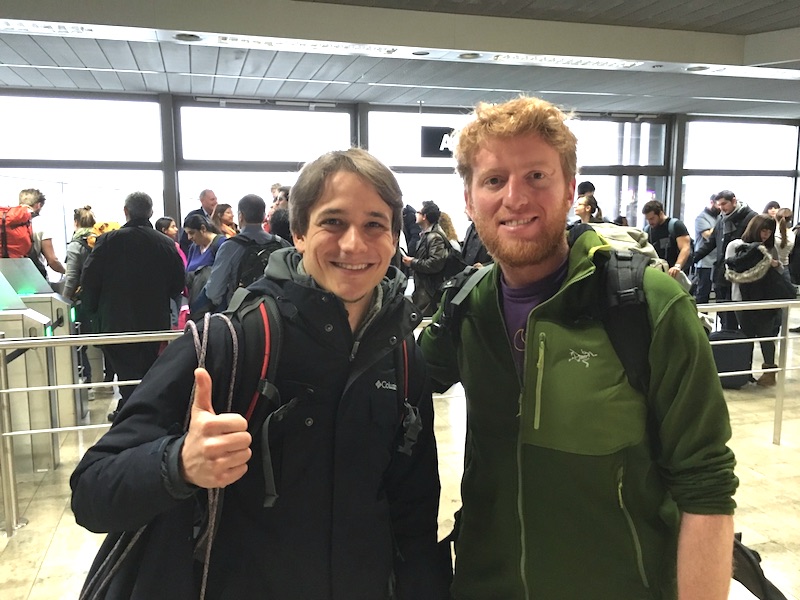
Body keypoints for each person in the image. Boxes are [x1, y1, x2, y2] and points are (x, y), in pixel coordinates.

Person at [70, 148, 442, 599]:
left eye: (374, 225)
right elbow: (92, 490)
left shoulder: (401, 354)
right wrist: (179, 464)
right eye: (333, 222)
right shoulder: (231, 343)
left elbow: (414, 513)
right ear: (299, 233)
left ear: (393, 238)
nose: (354, 245)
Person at [419, 96, 737, 600]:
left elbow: (707, 485)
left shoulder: (648, 306)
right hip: (485, 583)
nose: (516, 198)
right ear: (469, 198)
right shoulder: (466, 306)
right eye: (495, 180)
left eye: (537, 177)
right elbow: (384, 382)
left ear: (570, 190)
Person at [80, 192, 185, 421]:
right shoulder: (166, 244)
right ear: (151, 212)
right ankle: (141, 415)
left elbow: (89, 280)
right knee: (147, 372)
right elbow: (178, 284)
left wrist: (93, 313)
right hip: (153, 324)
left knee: (127, 374)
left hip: (114, 323)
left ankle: (131, 416)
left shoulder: (108, 241)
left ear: (126, 212)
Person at [724, 214, 784, 386]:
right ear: (755, 228)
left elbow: (779, 271)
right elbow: (730, 271)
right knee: (747, 337)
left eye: (769, 231)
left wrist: (774, 265)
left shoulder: (770, 248)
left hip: (766, 299)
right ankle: (744, 371)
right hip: (743, 299)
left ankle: (769, 372)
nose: (765, 234)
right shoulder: (736, 245)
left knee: (766, 336)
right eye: (763, 230)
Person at [205, 194, 290, 311]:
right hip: (278, 315)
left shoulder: (229, 247)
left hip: (243, 316)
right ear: (263, 216)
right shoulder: (282, 244)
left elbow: (213, 292)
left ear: (241, 216)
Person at [694, 190, 757, 330]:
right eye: (719, 204)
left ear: (734, 201)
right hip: (721, 275)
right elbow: (710, 244)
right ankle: (727, 341)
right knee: (724, 314)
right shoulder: (722, 219)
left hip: (740, 275)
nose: (721, 208)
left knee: (738, 315)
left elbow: (754, 248)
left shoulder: (751, 218)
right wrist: (689, 261)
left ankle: (735, 343)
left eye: (724, 204)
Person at [64, 206, 97, 388]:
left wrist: (65, 300)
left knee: (79, 342)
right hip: (102, 299)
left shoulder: (76, 245)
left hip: (82, 301)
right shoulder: (100, 240)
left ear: (75, 222)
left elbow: (71, 278)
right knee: (105, 341)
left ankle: (88, 382)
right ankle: (108, 381)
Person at [401, 201, 449, 316]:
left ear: (424, 217)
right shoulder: (427, 235)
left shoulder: (435, 237)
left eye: (418, 212)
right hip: (425, 290)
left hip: (430, 292)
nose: (415, 215)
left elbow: (434, 264)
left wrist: (412, 262)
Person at [183, 214, 226, 321]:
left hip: (214, 307)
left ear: (203, 229)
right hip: (196, 304)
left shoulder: (221, 244)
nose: (189, 238)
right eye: (187, 234)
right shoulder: (194, 247)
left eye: (192, 233)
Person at [18, 188, 66, 278]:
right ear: (38, 205)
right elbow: (52, 261)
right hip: (33, 278)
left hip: (5, 279)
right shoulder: (41, 223)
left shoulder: (5, 221)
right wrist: (69, 273)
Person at [641, 199, 693, 277]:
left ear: (661, 214)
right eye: (647, 219)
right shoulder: (647, 230)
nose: (650, 222)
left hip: (674, 272)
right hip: (657, 272)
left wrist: (677, 266)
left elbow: (685, 248)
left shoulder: (676, 225)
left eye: (652, 218)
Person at [693, 194, 721, 304]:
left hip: (717, 262)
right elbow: (708, 236)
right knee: (703, 293)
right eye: (718, 205)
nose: (720, 208)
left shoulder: (719, 217)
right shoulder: (701, 218)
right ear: (711, 203)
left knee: (719, 293)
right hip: (705, 263)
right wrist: (720, 224)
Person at [180, 189, 218, 254]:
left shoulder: (218, 216)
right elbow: (184, 242)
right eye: (212, 199)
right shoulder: (194, 216)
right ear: (202, 201)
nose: (216, 202)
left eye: (216, 199)